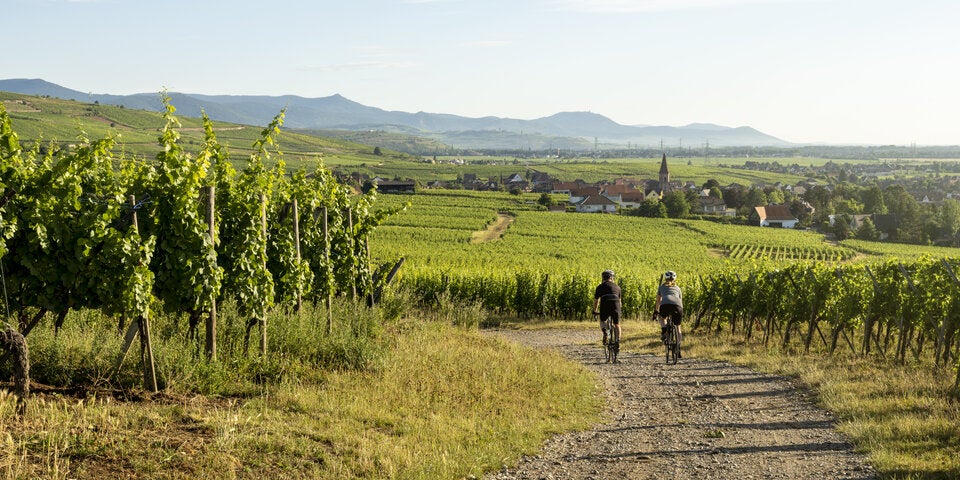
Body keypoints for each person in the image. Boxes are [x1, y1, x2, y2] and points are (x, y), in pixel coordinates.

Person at [655, 270, 683, 358]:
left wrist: (656, 311)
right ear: (674, 279)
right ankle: (678, 347)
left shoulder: (661, 287)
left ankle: (664, 331)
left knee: (663, 318)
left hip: (665, 304)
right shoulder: (678, 288)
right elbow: (680, 300)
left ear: (665, 279)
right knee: (678, 326)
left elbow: (658, 301)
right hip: (677, 306)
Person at [593, 269, 622, 346]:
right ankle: (617, 341)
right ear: (612, 278)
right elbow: (620, 301)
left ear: (603, 278)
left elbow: (596, 300)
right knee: (617, 324)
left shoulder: (599, 287)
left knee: (602, 320)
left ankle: (605, 332)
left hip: (605, 303)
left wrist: (595, 311)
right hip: (616, 304)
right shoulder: (617, 287)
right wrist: (619, 311)